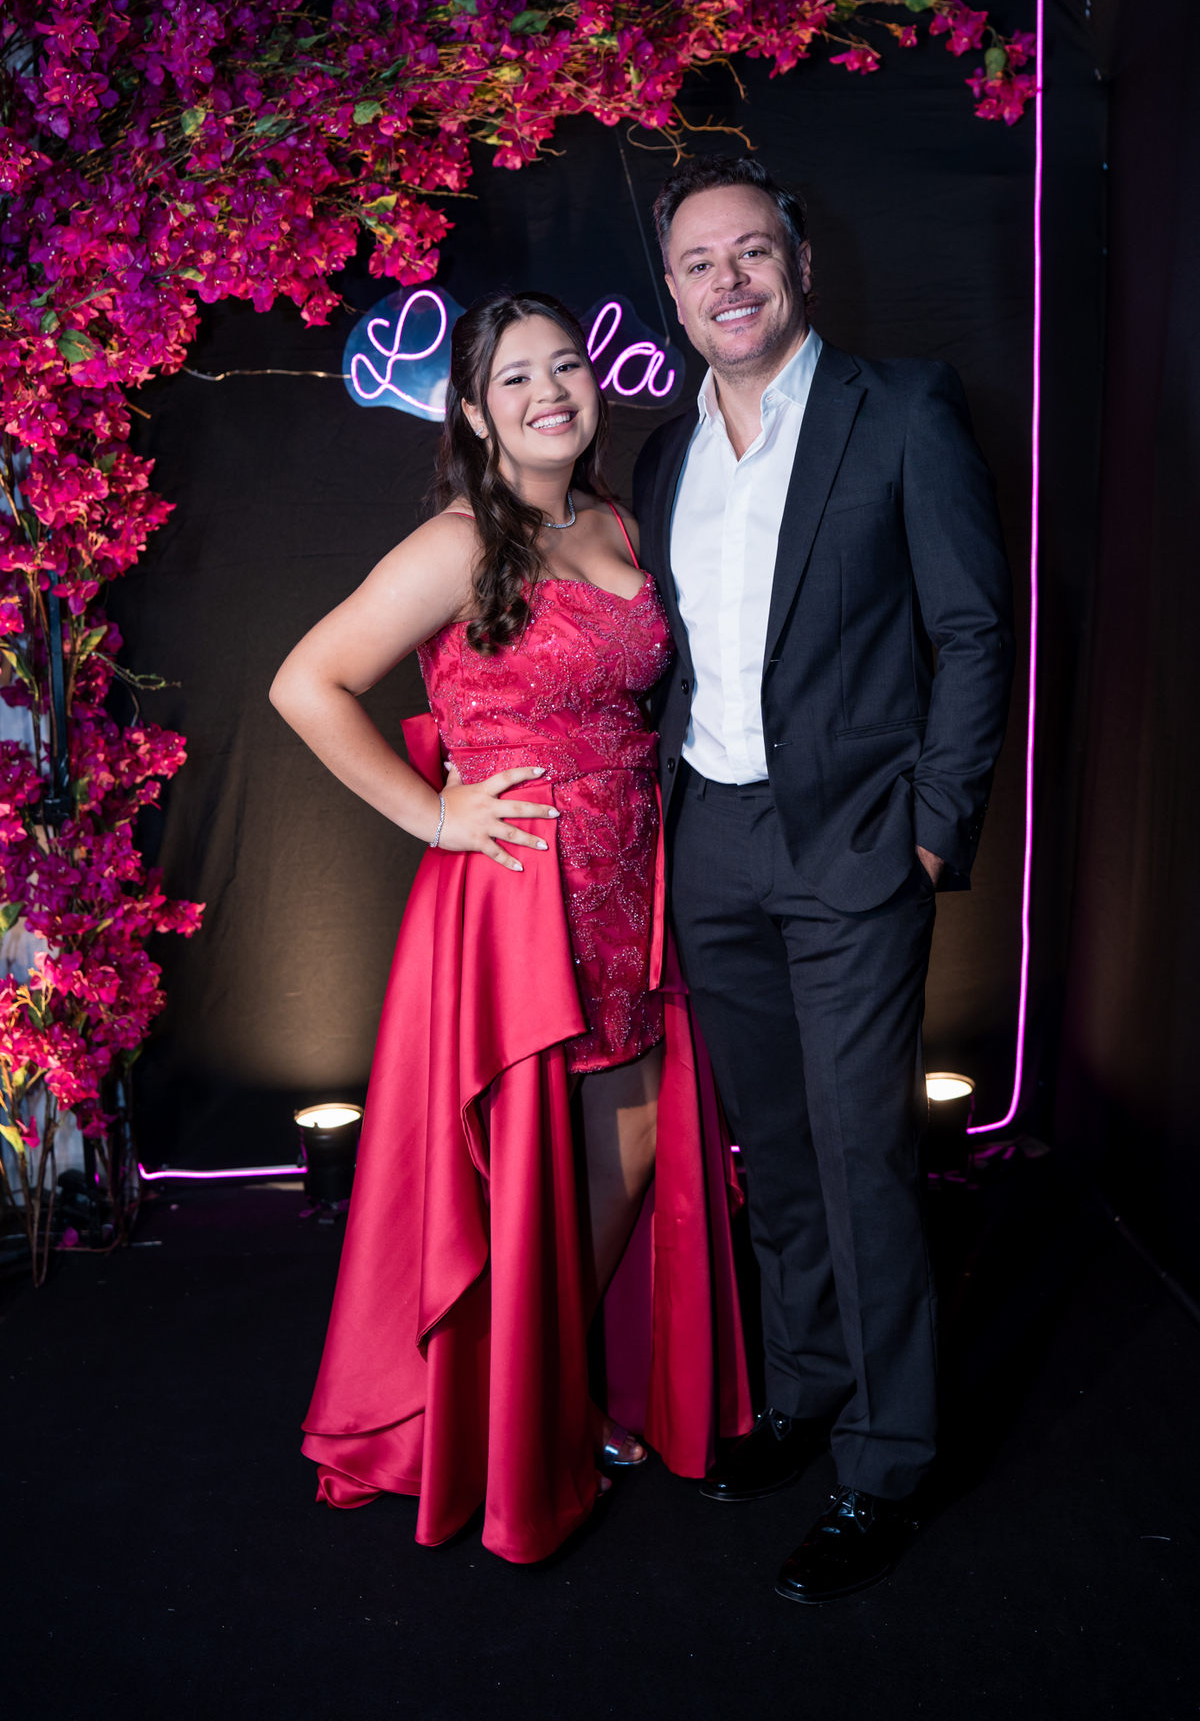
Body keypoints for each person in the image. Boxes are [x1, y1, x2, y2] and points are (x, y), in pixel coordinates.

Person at [270, 290, 750, 1565]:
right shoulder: (457, 544)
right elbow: (306, 683)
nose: (552, 392)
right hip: (520, 895)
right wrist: (432, 814)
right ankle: (522, 1410)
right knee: (522, 1159)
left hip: (634, 877)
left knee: (629, 1143)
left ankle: (542, 1378)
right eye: (518, 378)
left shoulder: (618, 522)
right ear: (476, 414)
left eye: (568, 366)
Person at [633, 157, 1015, 1603]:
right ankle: (805, 1390)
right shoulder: (663, 458)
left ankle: (890, 1461)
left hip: (856, 842)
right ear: (673, 297)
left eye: (750, 252)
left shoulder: (900, 407)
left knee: (864, 1157)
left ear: (798, 264)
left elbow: (973, 629)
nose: (727, 280)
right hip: (713, 842)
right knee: (779, 1153)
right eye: (698, 264)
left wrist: (931, 828)